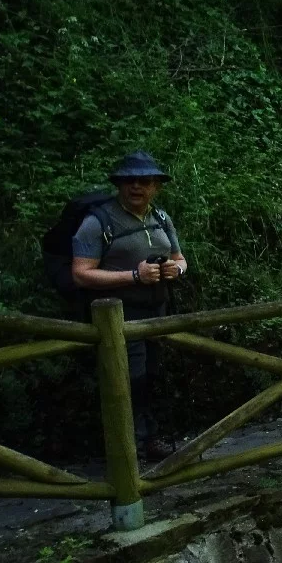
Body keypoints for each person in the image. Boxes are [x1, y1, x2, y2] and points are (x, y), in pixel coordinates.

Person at [69, 152, 189, 460]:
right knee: (126, 378)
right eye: (129, 181)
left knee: (151, 375)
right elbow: (81, 273)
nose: (137, 187)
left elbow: (180, 259)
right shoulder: (97, 223)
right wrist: (134, 275)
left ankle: (148, 439)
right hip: (118, 316)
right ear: (119, 185)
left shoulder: (161, 218)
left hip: (157, 311)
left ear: (156, 186)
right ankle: (126, 447)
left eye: (145, 181)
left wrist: (177, 270)